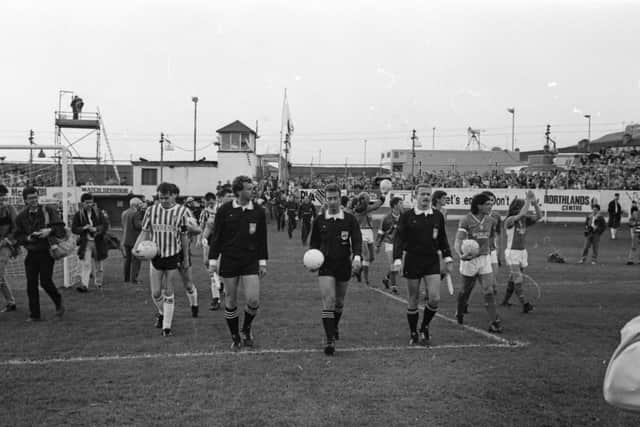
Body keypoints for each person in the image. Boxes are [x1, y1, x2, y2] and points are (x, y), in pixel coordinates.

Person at [209, 176, 268, 350]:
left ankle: (246, 327)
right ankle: (235, 337)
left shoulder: (258, 211)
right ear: (238, 191)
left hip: (250, 260)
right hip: (229, 260)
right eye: (248, 188)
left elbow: (261, 239)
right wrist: (213, 260)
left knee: (253, 300)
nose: (252, 191)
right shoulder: (225, 210)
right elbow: (217, 238)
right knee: (230, 300)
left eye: (252, 188)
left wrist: (262, 262)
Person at [134, 182, 198, 336]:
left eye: (166, 198)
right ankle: (162, 313)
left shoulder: (183, 212)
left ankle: (166, 327)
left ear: (174, 195)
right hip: (155, 255)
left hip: (173, 254)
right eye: (161, 198)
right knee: (156, 293)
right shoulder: (151, 210)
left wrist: (186, 257)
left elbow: (186, 235)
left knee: (169, 290)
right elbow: (144, 232)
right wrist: (135, 248)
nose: (163, 201)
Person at [393, 185, 453, 345]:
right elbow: (399, 239)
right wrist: (397, 260)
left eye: (428, 194)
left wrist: (448, 258)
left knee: (434, 298)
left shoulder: (437, 216)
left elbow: (442, 238)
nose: (426, 197)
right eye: (422, 194)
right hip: (412, 260)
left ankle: (424, 327)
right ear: (415, 196)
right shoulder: (407, 216)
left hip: (431, 260)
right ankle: (413, 332)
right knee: (413, 298)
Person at [309, 183, 362, 355]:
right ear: (325, 199)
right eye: (329, 198)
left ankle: (334, 326)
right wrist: (312, 260)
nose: (332, 201)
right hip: (326, 266)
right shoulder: (319, 220)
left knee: (339, 303)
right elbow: (314, 244)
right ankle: (329, 339)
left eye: (335, 198)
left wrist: (357, 257)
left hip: (343, 265)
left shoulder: (349, 219)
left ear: (340, 199)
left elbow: (357, 240)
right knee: (329, 301)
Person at [14, 187, 66, 321]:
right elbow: (18, 235)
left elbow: (61, 227)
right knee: (31, 284)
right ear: (25, 200)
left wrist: (49, 231)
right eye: (31, 198)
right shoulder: (21, 216)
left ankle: (58, 301)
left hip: (47, 251)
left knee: (45, 281)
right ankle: (34, 314)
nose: (34, 200)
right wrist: (27, 238)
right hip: (31, 253)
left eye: (35, 197)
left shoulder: (48, 210)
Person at [454, 193, 502, 333]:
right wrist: (461, 255)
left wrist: (492, 248)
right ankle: (460, 311)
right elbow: (458, 241)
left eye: (491, 203)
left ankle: (495, 321)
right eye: (487, 204)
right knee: (465, 291)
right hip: (469, 260)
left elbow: (491, 236)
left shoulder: (491, 220)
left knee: (489, 289)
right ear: (478, 205)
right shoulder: (466, 220)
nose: (490, 206)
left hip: (484, 259)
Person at [500, 191, 542, 311]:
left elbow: (539, 216)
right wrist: (528, 200)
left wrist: (534, 204)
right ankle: (525, 304)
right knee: (518, 278)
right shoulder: (509, 220)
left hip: (522, 252)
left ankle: (505, 301)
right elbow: (522, 212)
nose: (524, 209)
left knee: (513, 278)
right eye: (522, 206)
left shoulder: (524, 219)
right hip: (512, 252)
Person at [72, 193, 109, 292]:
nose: (89, 204)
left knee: (99, 264)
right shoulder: (78, 214)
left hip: (98, 241)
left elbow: (105, 225)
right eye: (87, 203)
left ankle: (98, 283)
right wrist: (84, 228)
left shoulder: (99, 213)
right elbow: (74, 229)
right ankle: (84, 285)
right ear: (82, 203)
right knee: (86, 264)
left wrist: (95, 229)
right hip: (86, 242)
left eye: (91, 202)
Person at [350, 191, 385, 285]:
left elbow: (373, 206)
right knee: (366, 256)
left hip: (369, 232)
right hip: (362, 232)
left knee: (372, 257)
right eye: (367, 198)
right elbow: (376, 206)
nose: (369, 199)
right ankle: (366, 280)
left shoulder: (364, 207)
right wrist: (382, 197)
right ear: (362, 199)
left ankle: (357, 270)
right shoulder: (361, 208)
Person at [375, 196, 403, 294]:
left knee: (397, 265)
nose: (402, 205)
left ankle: (386, 278)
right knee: (393, 264)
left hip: (401, 244)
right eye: (400, 203)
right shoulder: (386, 218)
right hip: (389, 243)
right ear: (395, 205)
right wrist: (377, 245)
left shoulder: (405, 217)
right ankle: (394, 286)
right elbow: (380, 232)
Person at [0, 185, 18, 312]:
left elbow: (17, 227)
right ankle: (11, 302)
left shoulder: (10, 209)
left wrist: (8, 239)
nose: (2, 199)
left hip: (6, 246)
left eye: (3, 196)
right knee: (1, 276)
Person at [121, 197, 143, 284]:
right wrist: (144, 224)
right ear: (136, 204)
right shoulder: (136, 213)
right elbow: (137, 226)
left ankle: (126, 278)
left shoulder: (124, 212)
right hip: (135, 239)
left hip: (126, 238)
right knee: (136, 260)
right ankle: (134, 279)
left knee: (127, 260)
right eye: (140, 204)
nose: (141, 206)